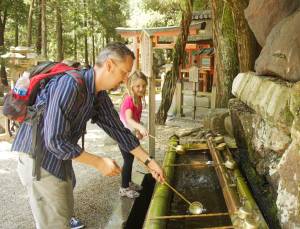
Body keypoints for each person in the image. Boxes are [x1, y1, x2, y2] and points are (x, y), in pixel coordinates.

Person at [12, 42, 165, 229]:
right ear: (109, 65)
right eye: (124, 72)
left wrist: (149, 162)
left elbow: (120, 131)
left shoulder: (97, 94)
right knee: (55, 223)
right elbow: (54, 140)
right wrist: (99, 162)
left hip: (58, 158)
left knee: (64, 213)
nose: (126, 79)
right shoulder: (70, 85)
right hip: (39, 158)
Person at [119, 70, 148, 198]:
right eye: (138, 86)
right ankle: (124, 188)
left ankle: (128, 183)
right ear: (131, 86)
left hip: (130, 134)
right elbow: (129, 119)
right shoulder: (129, 100)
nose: (141, 89)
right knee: (127, 161)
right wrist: (140, 127)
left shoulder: (139, 99)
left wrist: (138, 131)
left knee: (129, 160)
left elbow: (135, 120)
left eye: (143, 85)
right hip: (123, 135)